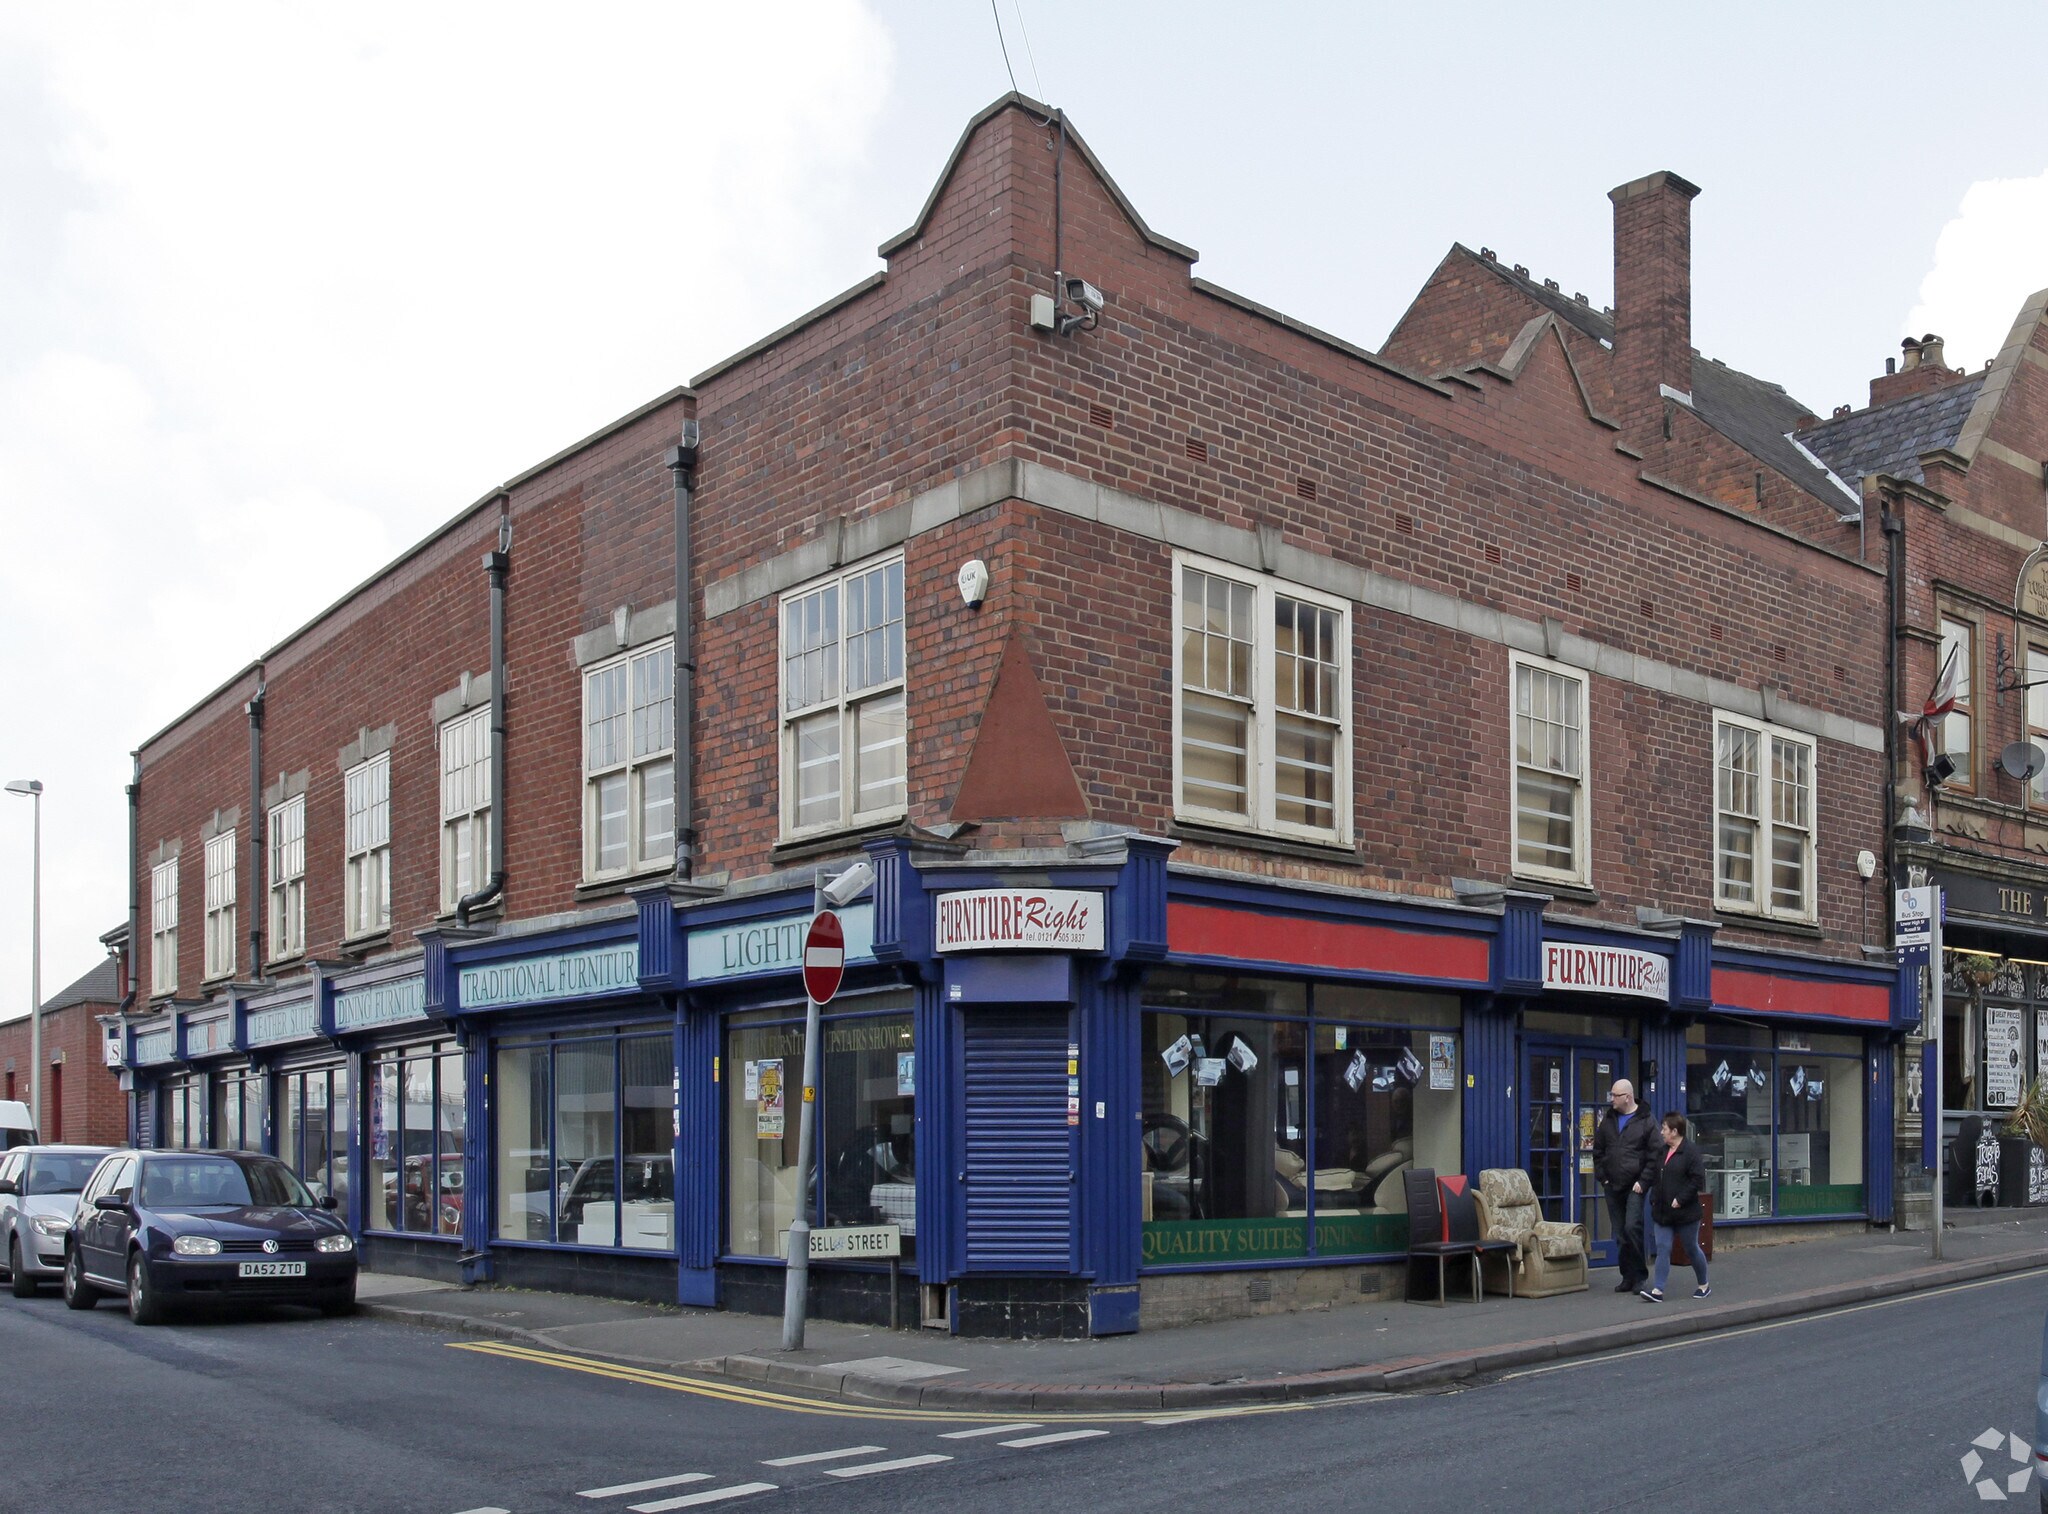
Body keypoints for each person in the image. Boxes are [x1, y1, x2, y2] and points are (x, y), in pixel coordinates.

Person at [1591, 1078, 1658, 1294]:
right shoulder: (1608, 1120)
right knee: (1620, 1233)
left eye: (1615, 1095)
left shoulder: (1646, 1120)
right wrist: (1604, 1178)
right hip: (1613, 1184)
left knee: (1632, 1228)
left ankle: (1640, 1277)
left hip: (1635, 1186)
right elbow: (1598, 1151)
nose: (1611, 1099)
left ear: (1627, 1097)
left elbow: (1655, 1155)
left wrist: (1643, 1181)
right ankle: (1626, 1277)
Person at [1642, 1111, 1710, 1302]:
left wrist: (1680, 1199)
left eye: (1664, 1128)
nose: (1661, 1132)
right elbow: (1655, 1176)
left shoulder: (1691, 1152)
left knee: (1691, 1249)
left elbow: (1697, 1180)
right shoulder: (1661, 1152)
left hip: (1686, 1213)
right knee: (1663, 1247)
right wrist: (1652, 1196)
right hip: (1663, 1212)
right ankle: (1658, 1290)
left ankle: (1703, 1284)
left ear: (1674, 1131)